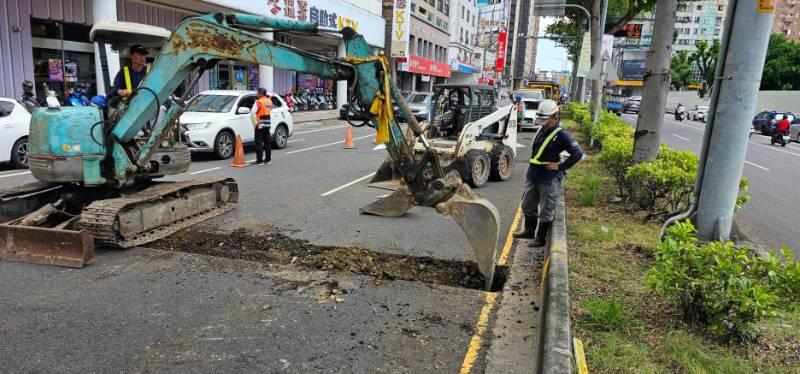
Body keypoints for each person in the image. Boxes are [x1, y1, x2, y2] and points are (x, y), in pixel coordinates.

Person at [513, 99, 584, 247]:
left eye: (545, 119)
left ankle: (540, 238)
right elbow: (536, 154)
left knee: (546, 209)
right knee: (527, 205)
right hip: (534, 175)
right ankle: (529, 230)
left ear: (555, 117)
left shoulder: (562, 135)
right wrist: (529, 172)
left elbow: (577, 153)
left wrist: (561, 166)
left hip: (549, 178)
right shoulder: (541, 130)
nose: (542, 122)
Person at [250, 88, 274, 165]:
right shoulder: (270, 101)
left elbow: (252, 113)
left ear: (261, 93)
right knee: (267, 143)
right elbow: (271, 109)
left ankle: (259, 160)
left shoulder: (258, 102)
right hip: (267, 123)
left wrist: (255, 123)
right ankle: (268, 159)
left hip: (260, 123)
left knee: (259, 143)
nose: (257, 94)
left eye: (258, 93)